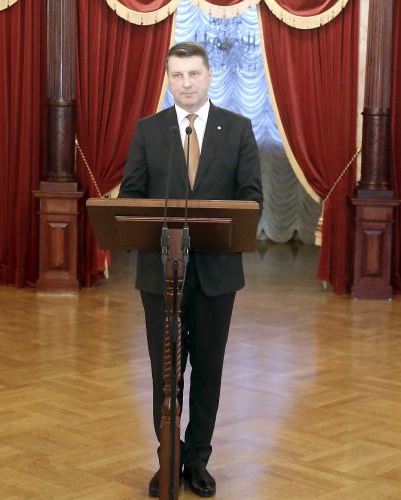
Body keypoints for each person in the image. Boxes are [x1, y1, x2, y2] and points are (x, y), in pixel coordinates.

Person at [119, 41, 262, 498]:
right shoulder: (149, 130)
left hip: (217, 276)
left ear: (209, 75)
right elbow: (131, 198)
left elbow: (252, 198)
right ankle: (169, 459)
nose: (186, 84)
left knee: (208, 371)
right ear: (167, 79)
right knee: (165, 375)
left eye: (194, 74)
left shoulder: (237, 129)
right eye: (177, 75)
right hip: (160, 275)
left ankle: (198, 460)